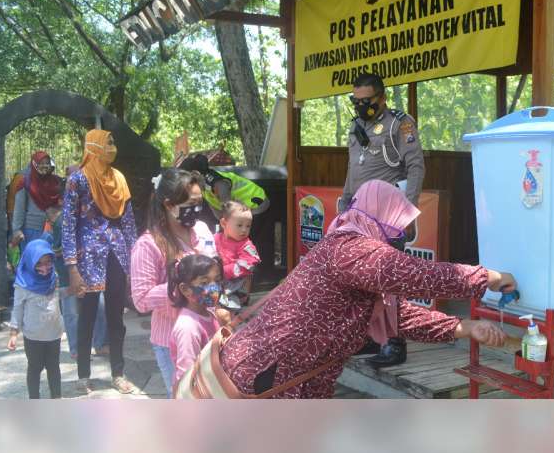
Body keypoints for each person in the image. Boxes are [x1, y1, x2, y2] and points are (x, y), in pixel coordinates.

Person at [182, 180, 513, 399]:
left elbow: (397, 317)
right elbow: (416, 274)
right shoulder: (350, 247)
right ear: (377, 214)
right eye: (396, 222)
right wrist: (488, 278)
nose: (398, 233)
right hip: (268, 373)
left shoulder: (353, 252)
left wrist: (464, 327)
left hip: (293, 379)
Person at [340, 73, 426, 367]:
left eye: (367, 101)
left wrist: (409, 210)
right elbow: (353, 170)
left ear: (382, 98)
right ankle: (369, 336)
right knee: (362, 280)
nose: (361, 106)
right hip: (358, 215)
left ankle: (395, 342)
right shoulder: (355, 127)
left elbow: (415, 167)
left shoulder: (399, 124)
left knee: (389, 279)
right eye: (356, 101)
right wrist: (343, 206)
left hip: (388, 216)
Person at [130, 168, 217, 398]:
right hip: (173, 340)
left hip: (208, 331)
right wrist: (180, 286)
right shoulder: (148, 245)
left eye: (200, 202)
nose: (198, 209)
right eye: (191, 203)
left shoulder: (202, 230)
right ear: (169, 205)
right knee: (185, 398)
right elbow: (140, 299)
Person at [62, 130, 138, 395]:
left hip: (116, 255)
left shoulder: (119, 179)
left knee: (117, 318)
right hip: (87, 259)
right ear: (94, 147)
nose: (113, 147)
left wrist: (134, 259)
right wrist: (71, 267)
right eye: (109, 143)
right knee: (88, 317)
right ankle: (84, 375)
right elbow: (69, 224)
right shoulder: (78, 180)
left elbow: (128, 223)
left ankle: (118, 373)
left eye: (113, 142)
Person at [46, 204, 108, 361]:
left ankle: (78, 349)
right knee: (90, 308)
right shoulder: (67, 220)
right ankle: (94, 345)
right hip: (78, 272)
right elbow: (59, 249)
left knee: (74, 312)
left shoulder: (63, 221)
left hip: (73, 273)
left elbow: (58, 249)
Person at [7, 239, 63, 399]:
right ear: (30, 262)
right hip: (33, 336)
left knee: (54, 368)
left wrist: (71, 291)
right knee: (34, 368)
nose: (45, 268)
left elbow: (58, 295)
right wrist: (13, 333)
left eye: (48, 262)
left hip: (54, 333)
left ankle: (57, 399)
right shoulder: (23, 284)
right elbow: (17, 308)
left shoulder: (54, 276)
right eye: (39, 264)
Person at [168, 254, 222, 393]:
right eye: (204, 282)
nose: (214, 287)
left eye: (217, 280)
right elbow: (186, 374)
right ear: (185, 289)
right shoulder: (188, 327)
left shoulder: (209, 313)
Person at [179, 153, 269, 222]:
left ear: (196, 174)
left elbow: (229, 211)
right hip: (243, 212)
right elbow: (219, 215)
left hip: (257, 205)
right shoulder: (203, 187)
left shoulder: (216, 182)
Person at [214, 200, 261, 312]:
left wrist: (222, 271)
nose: (244, 230)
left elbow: (248, 264)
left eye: (248, 226)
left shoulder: (246, 244)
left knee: (227, 310)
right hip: (217, 281)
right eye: (239, 225)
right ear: (224, 223)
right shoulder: (215, 238)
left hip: (236, 285)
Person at [11, 151, 62, 249]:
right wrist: (16, 230)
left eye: (47, 163)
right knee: (33, 261)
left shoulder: (56, 182)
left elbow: (63, 204)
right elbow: (19, 208)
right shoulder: (26, 182)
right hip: (31, 230)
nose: (44, 166)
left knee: (50, 262)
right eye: (41, 163)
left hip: (53, 230)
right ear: (34, 164)